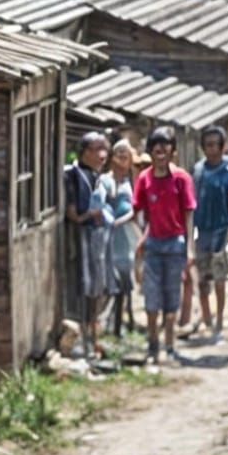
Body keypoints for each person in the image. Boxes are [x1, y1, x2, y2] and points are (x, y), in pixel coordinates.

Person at [132, 125, 195, 366]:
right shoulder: (144, 179)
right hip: (153, 245)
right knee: (151, 299)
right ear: (150, 151)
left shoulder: (181, 179)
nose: (161, 151)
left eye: (165, 146)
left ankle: (169, 346)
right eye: (156, 147)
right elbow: (138, 212)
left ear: (172, 152)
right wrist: (141, 237)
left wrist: (189, 248)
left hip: (175, 244)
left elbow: (188, 215)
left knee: (171, 298)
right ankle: (153, 346)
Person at [189, 125, 228, 340]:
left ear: (222, 146)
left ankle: (219, 321)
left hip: (222, 229)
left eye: (215, 145)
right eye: (208, 145)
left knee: (220, 278)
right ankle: (207, 319)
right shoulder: (199, 170)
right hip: (202, 229)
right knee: (203, 279)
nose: (212, 149)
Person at [64, 131, 113, 359]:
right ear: (84, 152)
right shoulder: (74, 176)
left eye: (104, 149)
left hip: (99, 237)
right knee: (85, 289)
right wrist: (91, 215)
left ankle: (94, 338)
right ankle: (83, 339)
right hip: (81, 238)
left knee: (98, 289)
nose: (102, 155)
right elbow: (73, 214)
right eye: (96, 150)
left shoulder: (97, 177)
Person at [106, 139, 139, 340]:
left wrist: (121, 221)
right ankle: (113, 325)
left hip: (125, 235)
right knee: (113, 280)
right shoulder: (105, 181)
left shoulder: (130, 183)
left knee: (126, 279)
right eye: (119, 156)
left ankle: (127, 321)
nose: (122, 160)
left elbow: (135, 209)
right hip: (109, 236)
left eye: (125, 157)